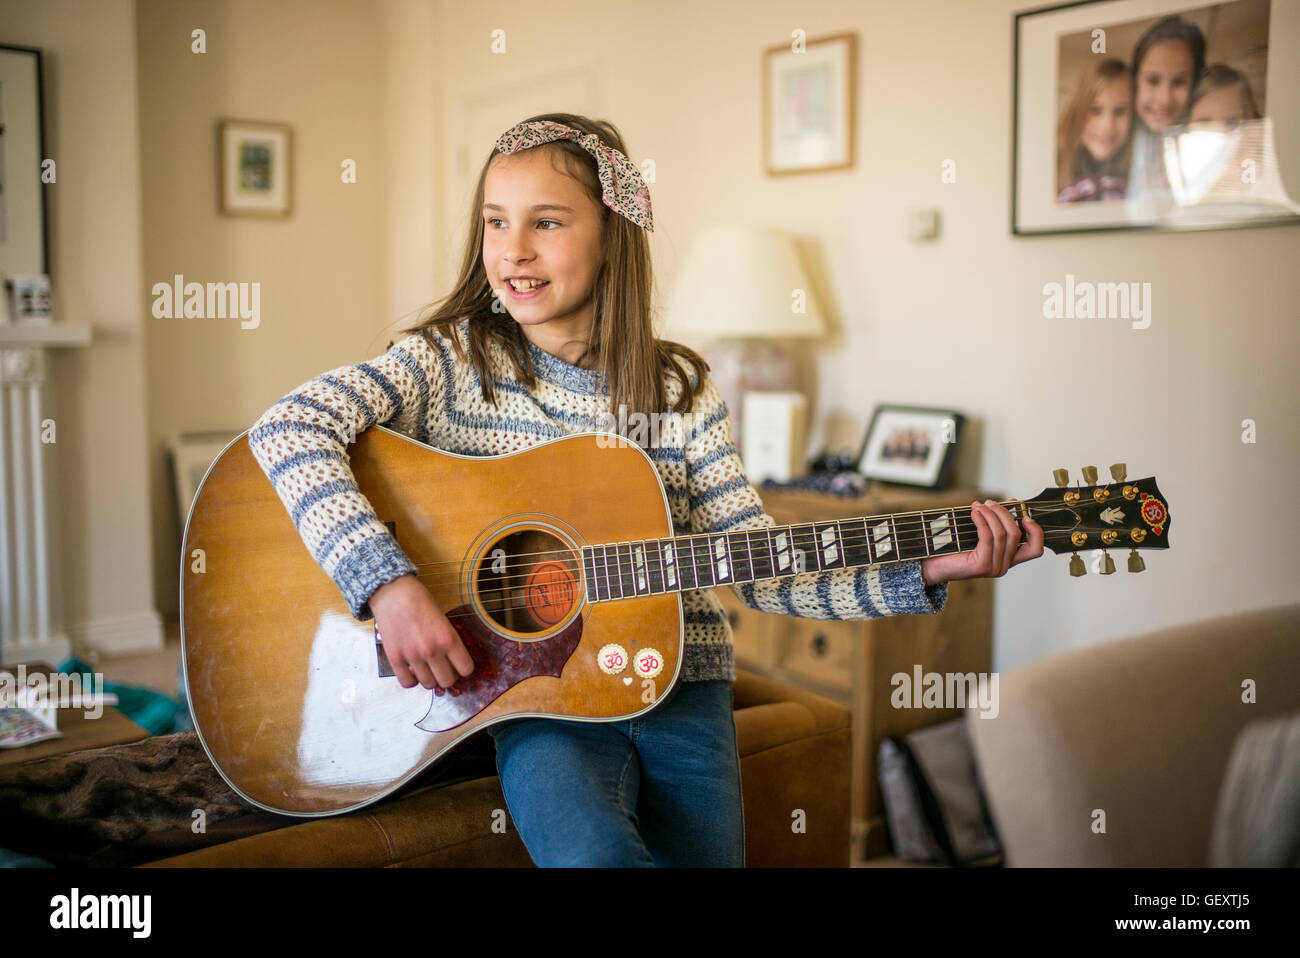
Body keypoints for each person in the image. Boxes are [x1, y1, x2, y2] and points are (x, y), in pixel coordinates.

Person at [246, 112, 1044, 867]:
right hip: (543, 704)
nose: (513, 248)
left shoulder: (678, 389)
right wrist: (389, 585)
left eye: (547, 222)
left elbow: (760, 568)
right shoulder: (450, 362)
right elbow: (289, 429)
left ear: (612, 235)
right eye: (496, 220)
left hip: (684, 691)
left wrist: (928, 569)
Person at [1124, 15, 1206, 218]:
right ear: (1134, 82)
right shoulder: (1119, 139)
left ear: (1195, 83)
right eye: (1152, 80)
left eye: (1179, 82)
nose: (1164, 99)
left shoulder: (1204, 149)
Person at [1056, 57, 1134, 203]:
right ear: (1077, 113)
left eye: (1120, 111)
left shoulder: (1142, 180)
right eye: (1095, 110)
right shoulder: (1051, 172)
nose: (1108, 125)